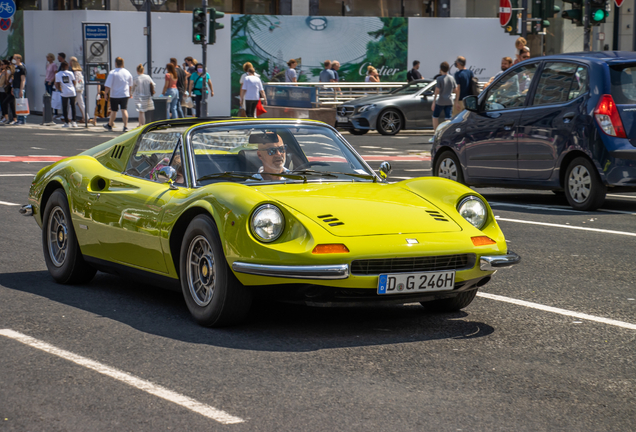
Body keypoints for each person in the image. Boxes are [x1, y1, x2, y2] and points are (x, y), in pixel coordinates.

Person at [103, 56, 133, 132]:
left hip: (115, 95)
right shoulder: (127, 72)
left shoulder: (112, 73)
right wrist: (130, 93)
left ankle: (110, 125)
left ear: (115, 63)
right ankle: (125, 126)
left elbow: (107, 85)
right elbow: (130, 85)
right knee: (124, 110)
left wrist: (106, 94)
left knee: (114, 111)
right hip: (124, 94)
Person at [431, 61, 458, 131]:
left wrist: (434, 102)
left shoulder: (439, 79)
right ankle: (447, 133)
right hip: (449, 101)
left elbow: (437, 90)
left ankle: (436, 133)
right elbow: (455, 89)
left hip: (440, 101)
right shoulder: (452, 78)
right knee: (448, 119)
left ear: (441, 69)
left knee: (435, 117)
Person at [69, 57, 94, 125]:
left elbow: (74, 82)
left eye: (70, 61)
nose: (69, 63)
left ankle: (70, 117)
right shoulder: (79, 71)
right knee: (78, 103)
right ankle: (84, 117)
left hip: (76, 90)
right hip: (79, 89)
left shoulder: (75, 72)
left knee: (77, 103)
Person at [55, 61, 77, 128]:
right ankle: (74, 122)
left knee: (65, 107)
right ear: (67, 66)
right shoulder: (71, 73)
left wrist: (60, 89)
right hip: (72, 91)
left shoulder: (58, 74)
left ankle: (67, 122)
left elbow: (57, 84)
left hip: (64, 92)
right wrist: (73, 87)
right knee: (73, 106)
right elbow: (74, 82)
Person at [11, 54, 27, 125]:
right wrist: (12, 87)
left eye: (15, 58)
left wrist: (21, 89)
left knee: (21, 104)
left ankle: (22, 119)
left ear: (18, 59)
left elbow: (23, 80)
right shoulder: (15, 68)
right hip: (15, 88)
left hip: (19, 88)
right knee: (18, 104)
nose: (13, 60)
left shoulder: (22, 68)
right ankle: (18, 119)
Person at [1, 59, 15, 124]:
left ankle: (8, 118)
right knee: (11, 104)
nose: (1, 66)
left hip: (9, 88)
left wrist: (6, 83)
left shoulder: (8, 71)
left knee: (6, 103)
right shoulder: (5, 71)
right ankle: (12, 118)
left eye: (2, 64)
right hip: (8, 88)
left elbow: (8, 80)